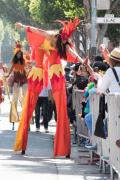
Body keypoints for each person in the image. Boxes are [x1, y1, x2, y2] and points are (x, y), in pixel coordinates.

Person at [14, 17, 84, 157]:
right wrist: (24, 26)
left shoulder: (62, 44)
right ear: (60, 36)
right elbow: (38, 30)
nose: (65, 42)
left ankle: (64, 149)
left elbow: (72, 53)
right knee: (29, 106)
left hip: (55, 72)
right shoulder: (51, 36)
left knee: (62, 110)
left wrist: (82, 61)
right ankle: (22, 145)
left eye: (66, 41)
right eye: (64, 40)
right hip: (42, 72)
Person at [6, 41, 28, 130]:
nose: (19, 55)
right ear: (16, 54)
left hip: (24, 82)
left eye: (20, 53)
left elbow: (27, 70)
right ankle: (14, 120)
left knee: (24, 100)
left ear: (21, 54)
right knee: (14, 100)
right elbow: (10, 71)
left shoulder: (24, 61)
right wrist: (7, 75)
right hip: (16, 82)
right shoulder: (14, 62)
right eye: (17, 53)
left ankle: (26, 120)